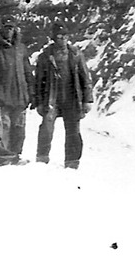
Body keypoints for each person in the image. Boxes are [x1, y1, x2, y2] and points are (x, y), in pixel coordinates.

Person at [34, 21, 93, 169]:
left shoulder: (75, 54)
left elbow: (85, 77)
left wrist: (87, 99)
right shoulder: (45, 56)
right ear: (53, 38)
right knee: (46, 128)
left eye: (65, 36)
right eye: (59, 36)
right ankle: (42, 158)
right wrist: (39, 102)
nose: (62, 39)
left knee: (73, 130)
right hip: (51, 98)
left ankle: (72, 161)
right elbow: (38, 81)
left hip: (72, 98)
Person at [0, 15, 34, 156]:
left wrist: (31, 93)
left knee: (19, 128)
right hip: (2, 96)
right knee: (3, 127)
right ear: (1, 29)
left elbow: (28, 72)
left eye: (11, 28)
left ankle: (16, 155)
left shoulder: (21, 49)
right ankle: (3, 156)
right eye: (6, 28)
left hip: (20, 97)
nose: (9, 31)